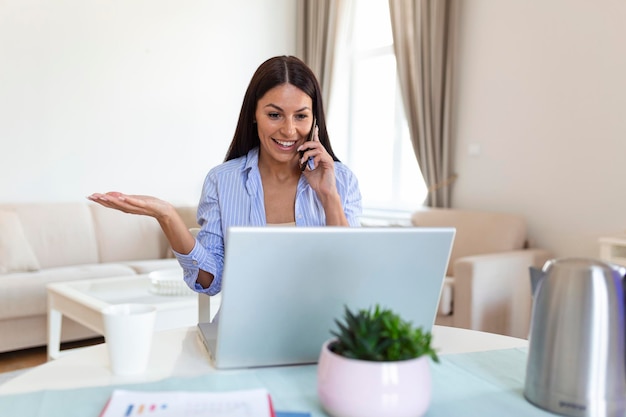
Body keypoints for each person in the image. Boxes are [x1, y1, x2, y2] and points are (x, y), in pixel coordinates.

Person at [88, 55, 362, 295]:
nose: (289, 131)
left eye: (300, 116)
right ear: (254, 114)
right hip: (245, 336)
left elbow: (351, 276)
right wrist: (167, 215)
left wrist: (328, 195)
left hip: (323, 338)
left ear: (315, 119)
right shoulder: (222, 181)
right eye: (275, 115)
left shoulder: (342, 181)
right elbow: (210, 281)